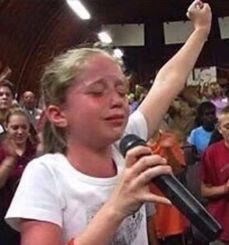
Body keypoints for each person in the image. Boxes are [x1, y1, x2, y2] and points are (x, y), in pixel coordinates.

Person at [5, 1, 212, 244]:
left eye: (121, 91)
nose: (117, 101)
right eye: (97, 92)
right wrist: (116, 207)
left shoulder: (125, 140)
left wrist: (201, 31)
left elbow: (167, 81)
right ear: (58, 114)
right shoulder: (46, 175)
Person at [0, 108, 37, 245]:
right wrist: (10, 159)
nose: (20, 132)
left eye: (24, 127)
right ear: (6, 127)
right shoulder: (1, 150)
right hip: (4, 217)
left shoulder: (36, 151)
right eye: (15, 127)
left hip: (30, 216)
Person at [201, 104, 229, 245]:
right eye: (228, 127)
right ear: (219, 129)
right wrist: (226, 188)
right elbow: (204, 191)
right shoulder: (211, 153)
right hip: (221, 224)